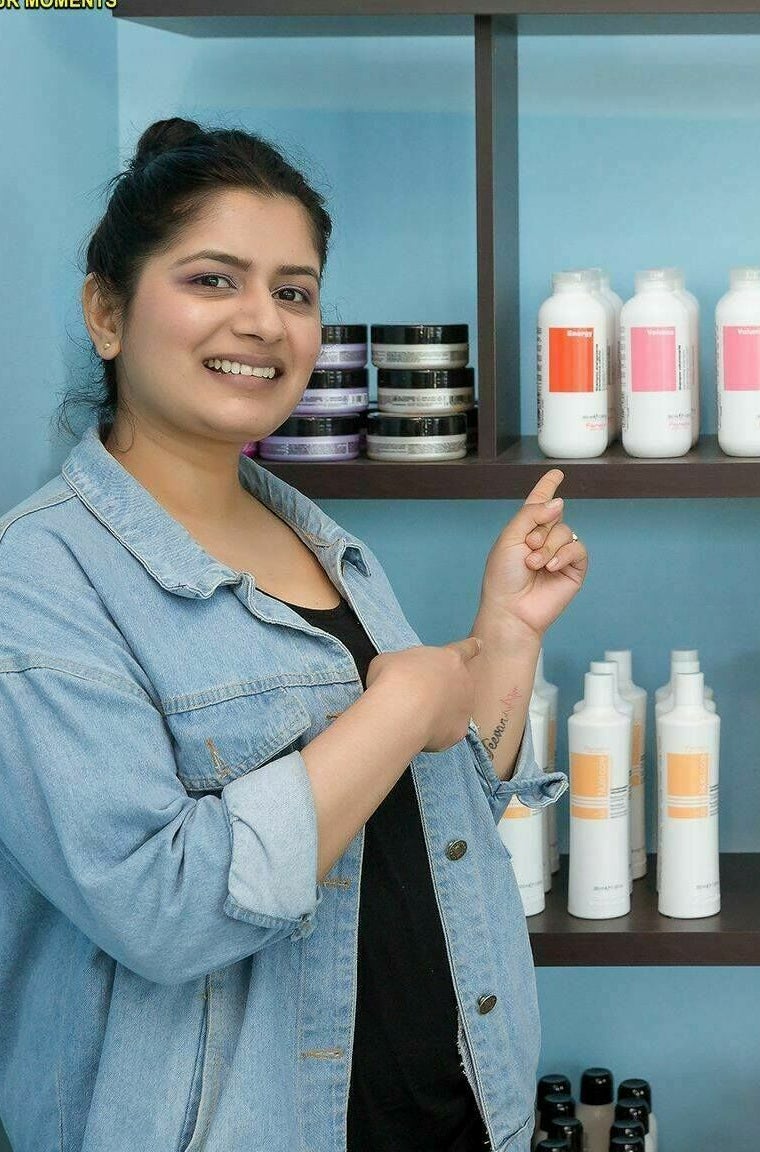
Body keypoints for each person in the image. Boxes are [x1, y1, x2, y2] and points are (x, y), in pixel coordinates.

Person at [0, 118, 584, 1152]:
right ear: (106, 312)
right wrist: (399, 705)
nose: (263, 322)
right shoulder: (42, 580)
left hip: (457, 1113)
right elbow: (162, 911)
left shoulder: (320, 544)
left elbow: (427, 812)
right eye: (213, 280)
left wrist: (504, 638)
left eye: (295, 291)